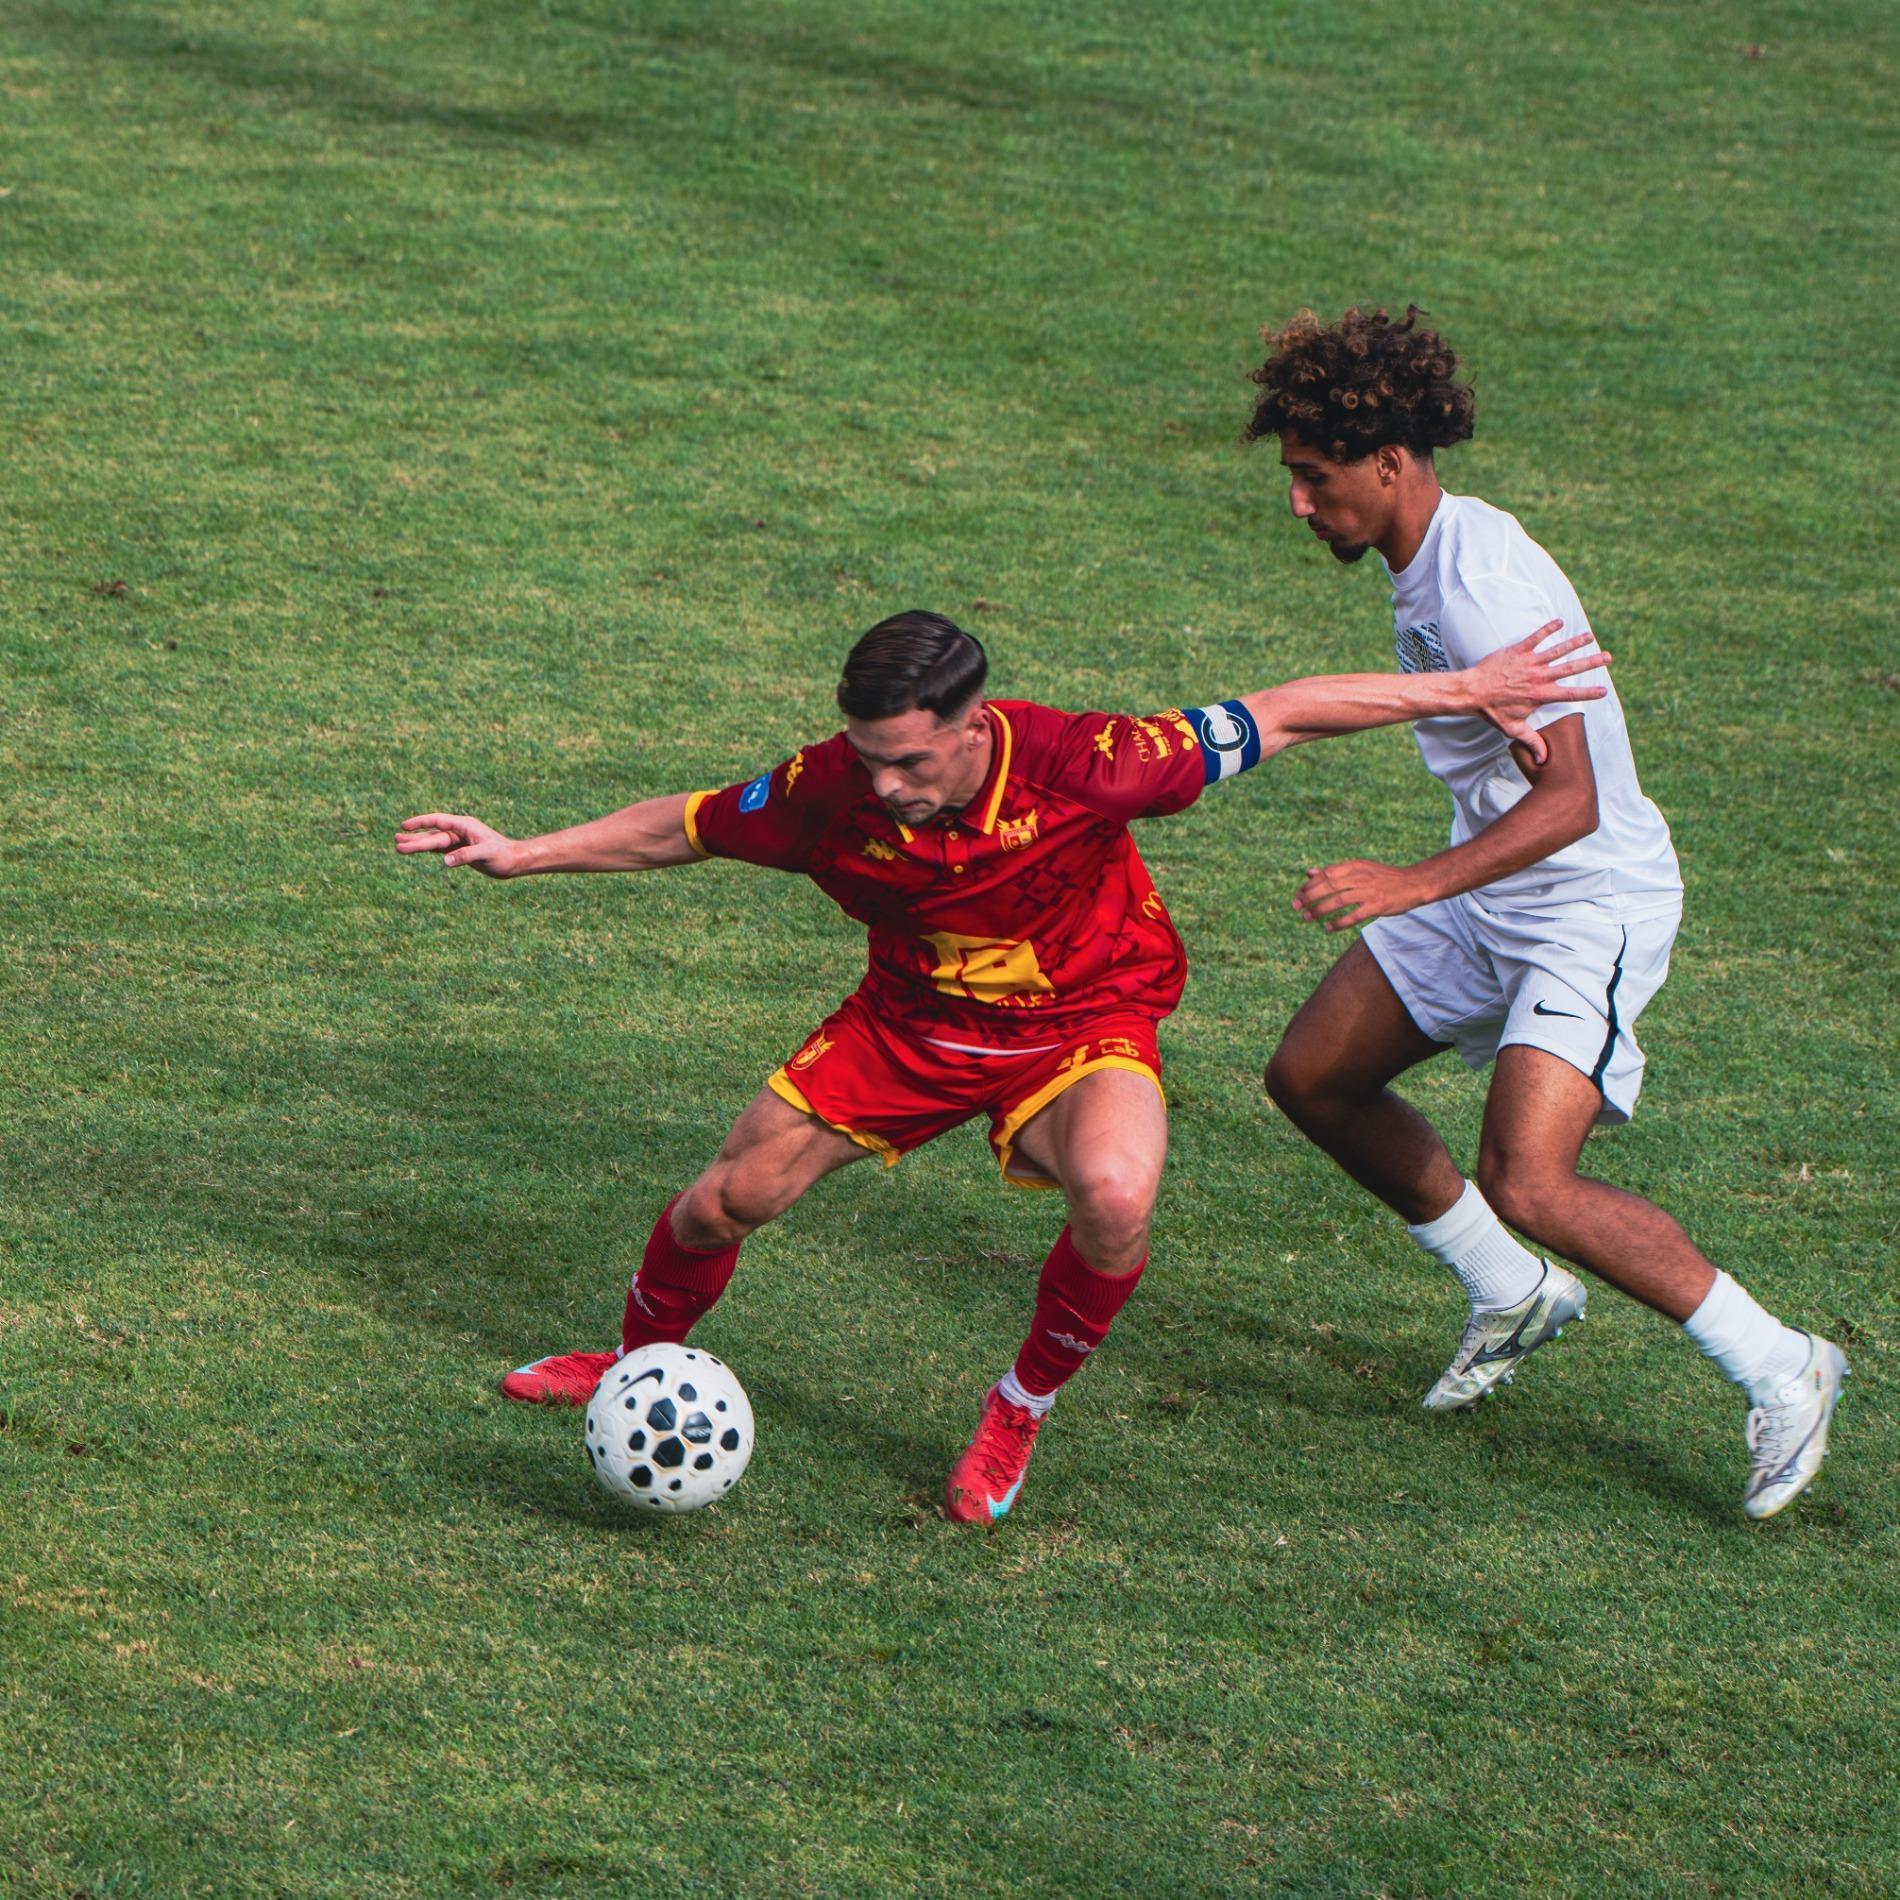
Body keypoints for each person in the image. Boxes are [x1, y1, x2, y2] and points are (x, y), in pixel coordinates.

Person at [396, 608, 1603, 1524]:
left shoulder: (1088, 760)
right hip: (909, 1026)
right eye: (869, 757)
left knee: (1116, 1195)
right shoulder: (831, 788)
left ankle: (1016, 1409)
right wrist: (523, 851)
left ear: (972, 728)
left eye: (909, 763)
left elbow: (1280, 712)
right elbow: (691, 823)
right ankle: (632, 1356)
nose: (884, 786)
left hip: (1082, 1025)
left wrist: (1468, 687)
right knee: (724, 1199)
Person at [1248, 306, 1847, 1519]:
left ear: (1389, 461)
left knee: (1529, 1177)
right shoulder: (1432, 555)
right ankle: (1508, 1289)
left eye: (1315, 478)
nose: (1300, 504)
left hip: (1585, 902)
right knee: (1313, 1075)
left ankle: (1783, 1364)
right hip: (1494, 880)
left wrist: (1408, 882)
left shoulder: (1479, 585)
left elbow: (1573, 802)